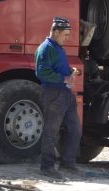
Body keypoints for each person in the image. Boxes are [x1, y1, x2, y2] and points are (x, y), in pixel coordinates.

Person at [34, 16, 82, 181]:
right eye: (65, 34)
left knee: (75, 129)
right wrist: (64, 78)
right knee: (51, 131)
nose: (67, 38)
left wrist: (70, 71)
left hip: (65, 94)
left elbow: (58, 67)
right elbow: (41, 72)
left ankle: (68, 163)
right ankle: (47, 167)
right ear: (55, 31)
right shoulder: (46, 48)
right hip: (53, 93)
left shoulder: (58, 47)